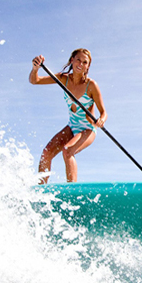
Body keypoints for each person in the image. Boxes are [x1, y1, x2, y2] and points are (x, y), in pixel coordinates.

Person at [30, 49, 107, 184]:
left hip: (87, 129)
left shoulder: (91, 85)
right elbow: (35, 81)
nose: (80, 64)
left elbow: (104, 113)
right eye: (78, 60)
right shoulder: (63, 79)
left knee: (68, 151)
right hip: (72, 126)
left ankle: (72, 190)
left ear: (88, 66)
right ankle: (41, 190)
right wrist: (35, 68)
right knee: (46, 153)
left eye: (85, 62)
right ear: (72, 60)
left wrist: (101, 120)